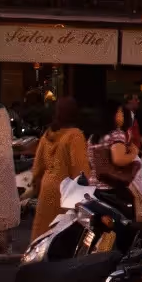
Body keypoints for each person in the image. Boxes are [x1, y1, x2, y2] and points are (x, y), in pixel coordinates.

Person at [30, 97, 90, 237]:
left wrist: (37, 188)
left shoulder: (47, 134)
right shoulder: (75, 135)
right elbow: (80, 170)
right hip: (66, 192)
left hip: (47, 190)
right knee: (62, 236)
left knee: (42, 234)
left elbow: (38, 167)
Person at [91, 104, 142, 203]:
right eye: (119, 113)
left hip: (93, 188)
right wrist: (134, 153)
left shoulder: (93, 137)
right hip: (112, 187)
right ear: (111, 115)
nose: (122, 116)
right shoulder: (117, 134)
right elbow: (119, 159)